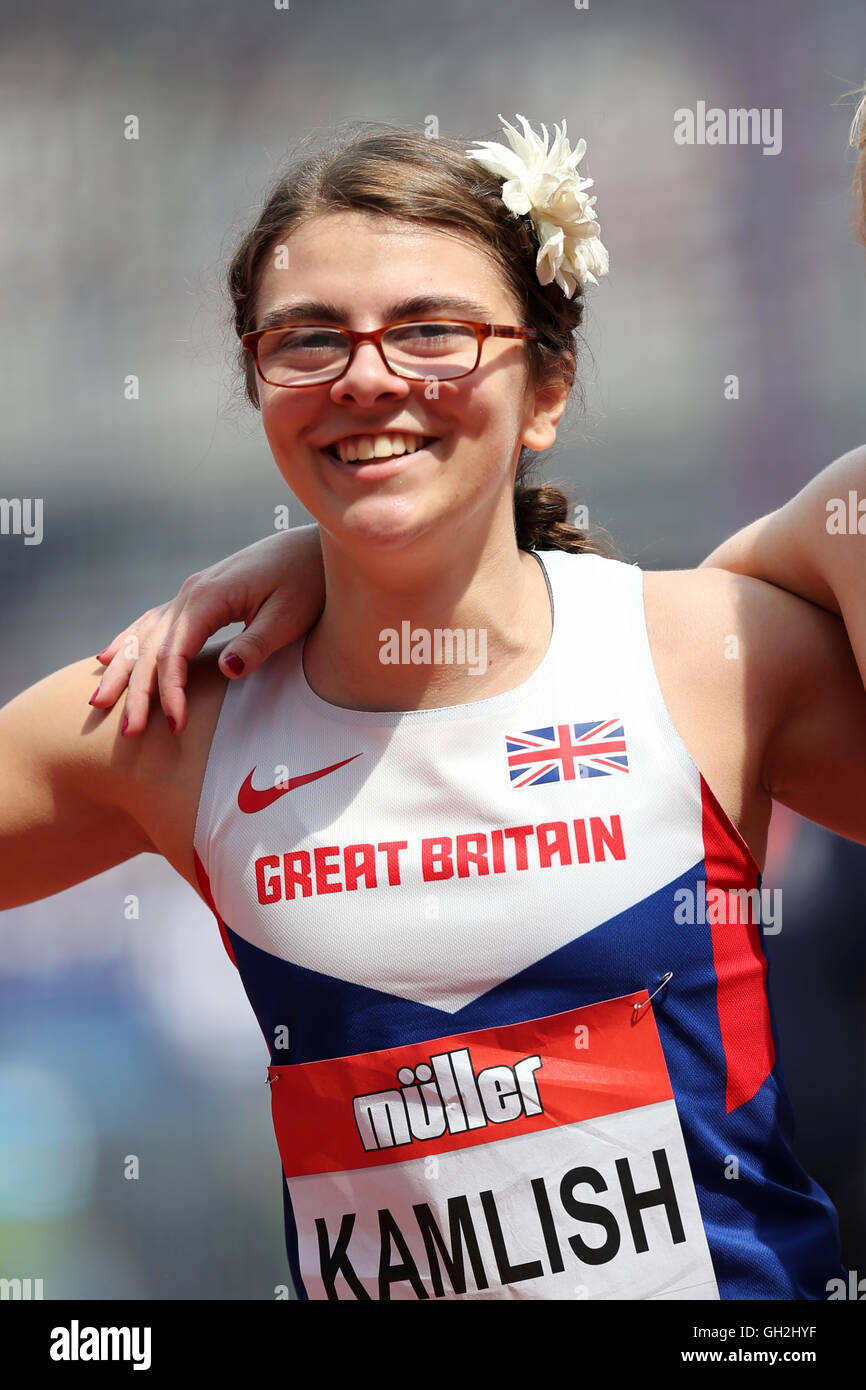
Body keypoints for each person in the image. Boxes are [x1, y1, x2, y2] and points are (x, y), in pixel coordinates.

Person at [3, 114, 866, 1302]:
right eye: (307, 342)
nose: (366, 375)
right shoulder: (173, 714)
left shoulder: (717, 653)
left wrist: (349, 550)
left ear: (546, 386)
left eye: (430, 332)